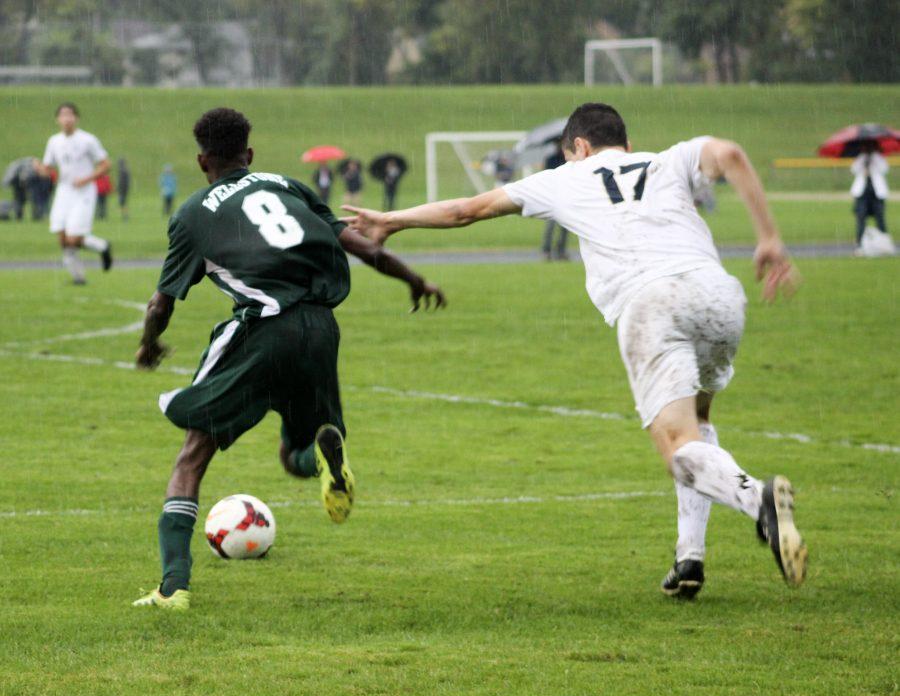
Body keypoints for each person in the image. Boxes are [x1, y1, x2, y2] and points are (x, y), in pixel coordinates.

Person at [343, 102, 807, 599]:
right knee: (697, 420)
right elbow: (731, 153)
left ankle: (756, 498)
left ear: (579, 148)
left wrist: (392, 219)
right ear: (624, 144)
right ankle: (688, 557)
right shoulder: (666, 160)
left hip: (653, 305)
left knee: (677, 447)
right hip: (718, 295)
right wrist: (770, 238)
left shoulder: (565, 178)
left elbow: (465, 211)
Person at [132, 108, 445, 611]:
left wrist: (149, 343)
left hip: (262, 329)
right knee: (292, 456)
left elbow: (160, 303)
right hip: (320, 329)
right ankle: (321, 453)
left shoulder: (191, 215)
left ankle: (172, 589)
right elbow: (361, 246)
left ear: (201, 160)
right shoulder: (287, 185)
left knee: (193, 454)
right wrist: (414, 280)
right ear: (249, 155)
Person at [34, 102, 113, 284]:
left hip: (84, 192)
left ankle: (102, 246)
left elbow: (106, 164)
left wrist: (86, 178)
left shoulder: (87, 140)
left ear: (76, 118)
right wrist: (39, 168)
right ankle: (78, 278)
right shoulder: (54, 141)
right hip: (64, 192)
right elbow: (48, 170)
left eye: (70, 115)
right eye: (63, 115)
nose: (67, 118)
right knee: (62, 238)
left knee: (73, 238)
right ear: (58, 119)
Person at [850, 141, 889, 247]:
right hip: (862, 192)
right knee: (861, 217)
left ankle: (884, 243)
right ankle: (860, 242)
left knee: (880, 217)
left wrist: (873, 160)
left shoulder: (878, 157)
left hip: (876, 192)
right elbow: (853, 169)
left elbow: (884, 169)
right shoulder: (861, 158)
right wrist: (864, 162)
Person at [540, 144, 568, 261]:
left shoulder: (567, 160)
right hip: (553, 197)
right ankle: (547, 250)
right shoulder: (551, 159)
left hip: (565, 197)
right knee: (551, 226)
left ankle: (560, 250)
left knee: (565, 227)